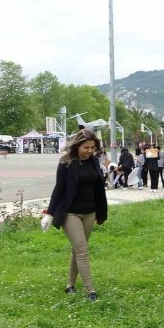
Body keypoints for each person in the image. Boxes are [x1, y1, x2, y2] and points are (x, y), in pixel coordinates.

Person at [43, 129, 108, 301]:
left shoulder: (94, 161)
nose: (89, 151)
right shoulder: (66, 163)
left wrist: (101, 214)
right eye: (86, 147)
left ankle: (70, 285)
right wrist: (49, 214)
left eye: (92, 147)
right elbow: (59, 189)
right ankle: (90, 291)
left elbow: (99, 189)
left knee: (78, 249)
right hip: (70, 212)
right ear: (77, 145)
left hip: (90, 213)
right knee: (82, 250)